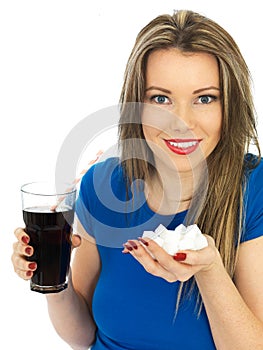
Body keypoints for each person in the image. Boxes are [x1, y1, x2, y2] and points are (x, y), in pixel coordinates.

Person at [11, 9, 263, 350]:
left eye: (204, 98)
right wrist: (54, 280)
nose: (180, 122)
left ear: (229, 105)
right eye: (161, 99)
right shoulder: (104, 185)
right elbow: (82, 335)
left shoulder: (254, 190)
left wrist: (209, 271)